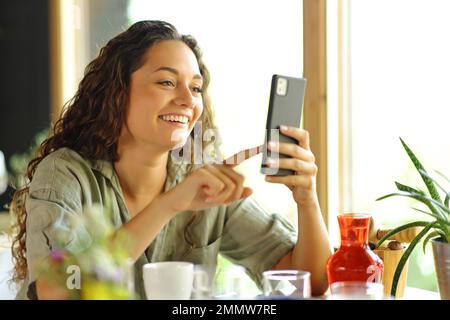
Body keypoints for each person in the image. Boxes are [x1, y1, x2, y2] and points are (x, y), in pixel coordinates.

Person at [10, 20, 331, 300]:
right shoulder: (65, 173)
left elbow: (310, 284)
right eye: (166, 81)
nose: (188, 99)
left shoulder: (203, 179)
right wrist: (168, 205)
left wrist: (307, 200)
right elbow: (59, 291)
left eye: (195, 87)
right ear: (117, 91)